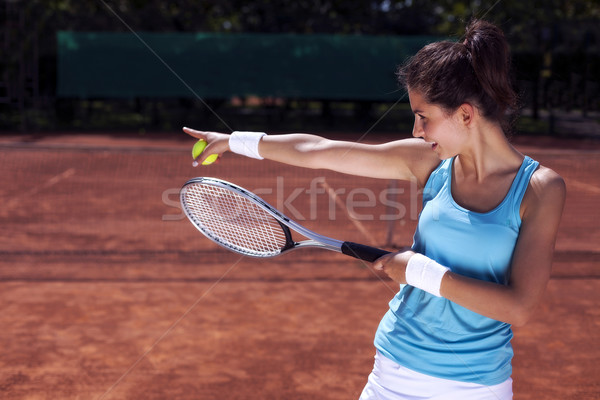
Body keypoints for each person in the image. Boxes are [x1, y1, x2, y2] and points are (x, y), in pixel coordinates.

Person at [183, 19, 565, 400]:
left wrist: (419, 271)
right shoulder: (428, 163)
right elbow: (318, 150)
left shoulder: (540, 189)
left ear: (465, 115)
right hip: (394, 372)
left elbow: (519, 307)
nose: (417, 131)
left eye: (424, 117)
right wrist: (233, 140)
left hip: (477, 386)